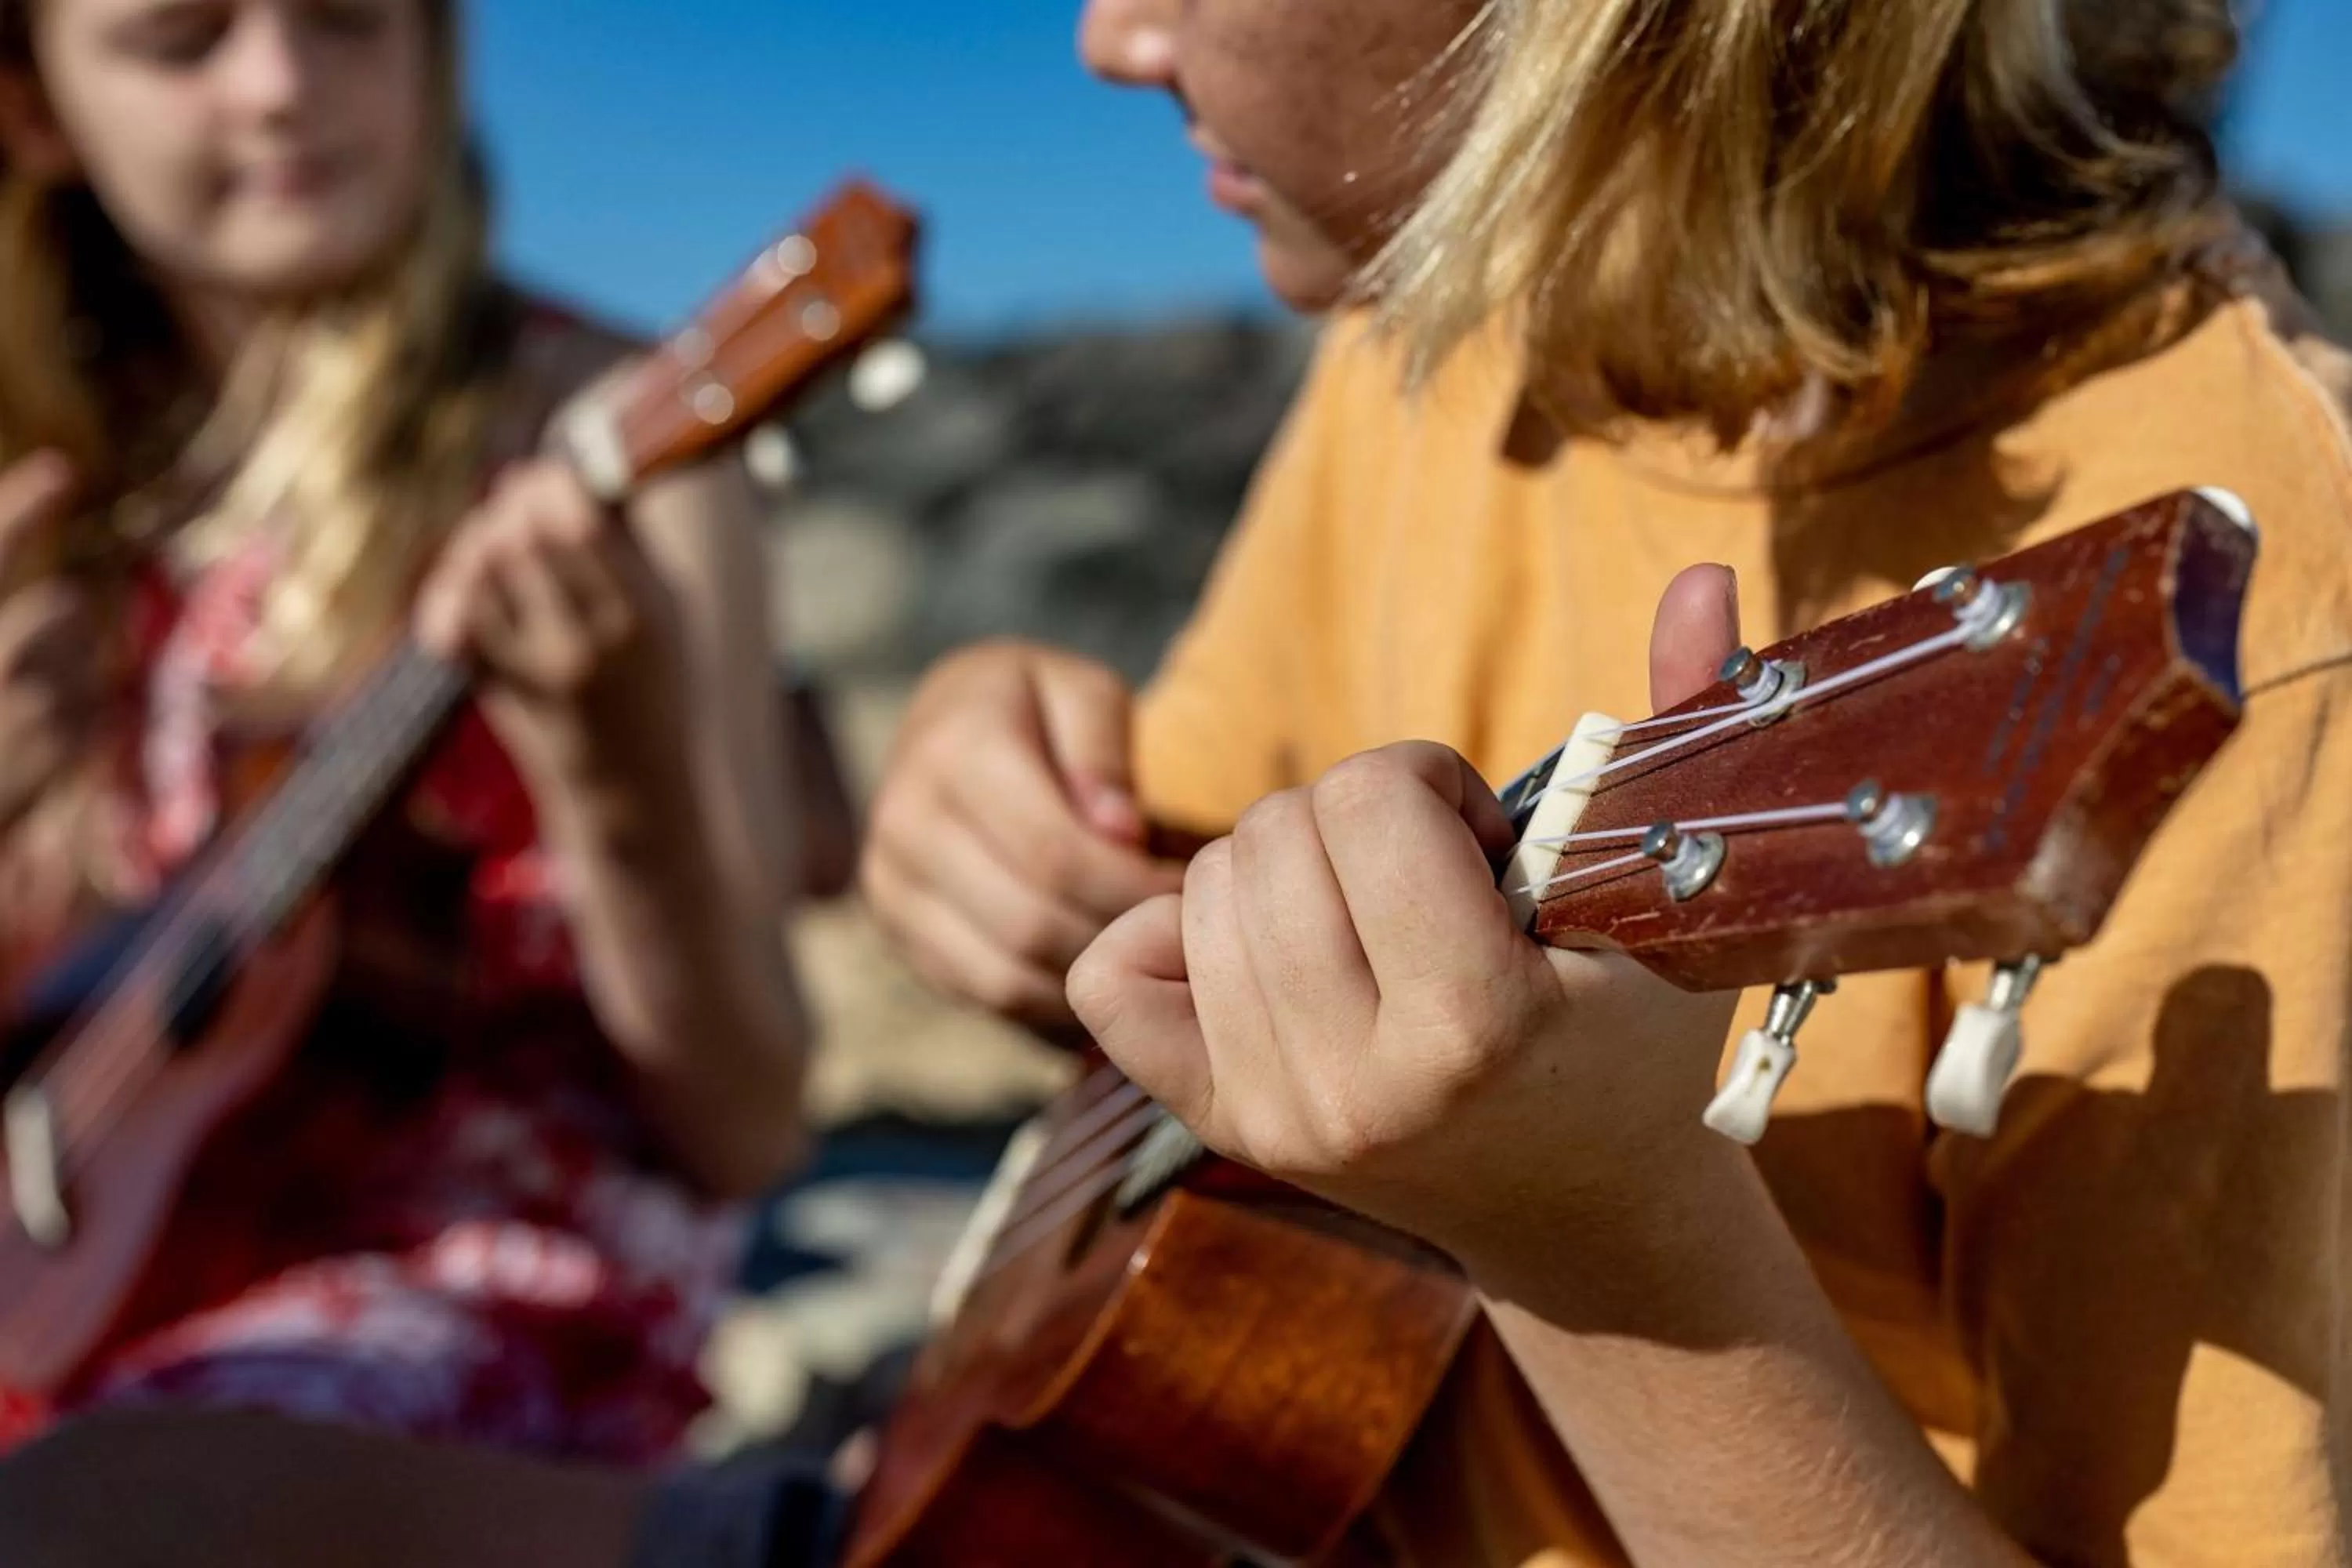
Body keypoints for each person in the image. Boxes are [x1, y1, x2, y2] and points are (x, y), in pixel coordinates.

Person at [865, 0, 2352, 1563]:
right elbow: (1186, 976)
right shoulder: (1456, 296)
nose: (1109, 41)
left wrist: (1609, 1246)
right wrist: (986, 802)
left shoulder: (2254, 652)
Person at [0, 0, 808, 1480]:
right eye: (181, 40)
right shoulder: (43, 497)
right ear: (34, 108)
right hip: (92, 1274)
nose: (281, 86)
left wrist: (617, 783)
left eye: (349, 19)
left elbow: (747, 1127)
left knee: (108, 1504)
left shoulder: (610, 440)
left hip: (476, 1277)